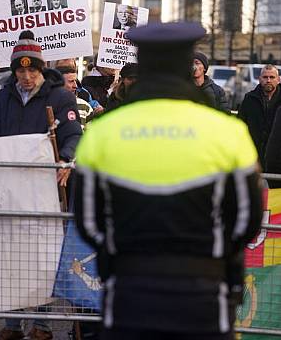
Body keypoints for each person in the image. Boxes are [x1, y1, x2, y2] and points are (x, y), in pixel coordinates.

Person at [74, 22, 262, 340]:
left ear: (142, 67)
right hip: (204, 294)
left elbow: (89, 221)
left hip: (128, 291)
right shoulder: (228, 132)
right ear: (188, 67)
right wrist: (216, 254)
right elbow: (246, 220)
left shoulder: (103, 132)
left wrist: (119, 251)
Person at [0, 30, 82, 340]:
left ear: (41, 69)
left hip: (44, 192)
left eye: (32, 70)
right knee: (9, 258)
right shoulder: (5, 95)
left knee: (41, 259)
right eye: (21, 71)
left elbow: (74, 135)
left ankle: (43, 326)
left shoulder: (60, 96)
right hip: (11, 189)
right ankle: (13, 325)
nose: (26, 77)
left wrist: (66, 160)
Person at [238, 64, 281, 162]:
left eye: (272, 77)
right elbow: (241, 124)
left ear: (278, 79)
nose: (268, 80)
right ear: (259, 79)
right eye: (265, 77)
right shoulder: (249, 99)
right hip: (254, 153)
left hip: (277, 155)